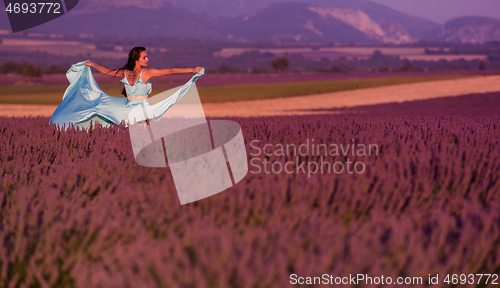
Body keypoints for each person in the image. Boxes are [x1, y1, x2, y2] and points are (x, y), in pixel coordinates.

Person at [49, 46, 204, 129]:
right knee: (145, 134)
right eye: (145, 57)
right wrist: (192, 70)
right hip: (142, 109)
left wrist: (91, 63)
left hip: (127, 108)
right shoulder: (147, 73)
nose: (147, 59)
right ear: (137, 59)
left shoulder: (124, 73)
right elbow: (171, 71)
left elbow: (105, 71)